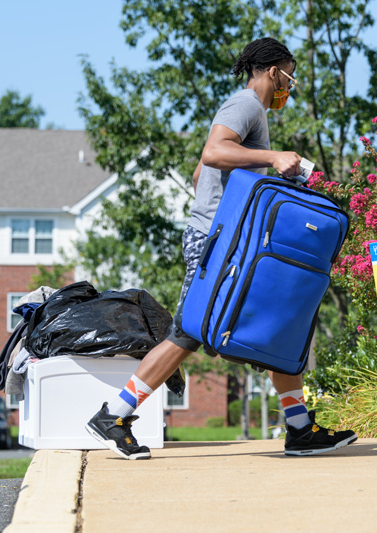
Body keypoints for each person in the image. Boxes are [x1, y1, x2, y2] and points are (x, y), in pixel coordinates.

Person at [85, 37, 357, 460]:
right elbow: (213, 152)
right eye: (289, 74)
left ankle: (300, 428)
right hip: (215, 242)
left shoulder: (253, 114)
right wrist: (272, 158)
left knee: (277, 323)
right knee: (190, 330)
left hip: (226, 240)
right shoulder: (246, 105)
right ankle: (113, 415)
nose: (290, 83)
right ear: (272, 71)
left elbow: (200, 174)